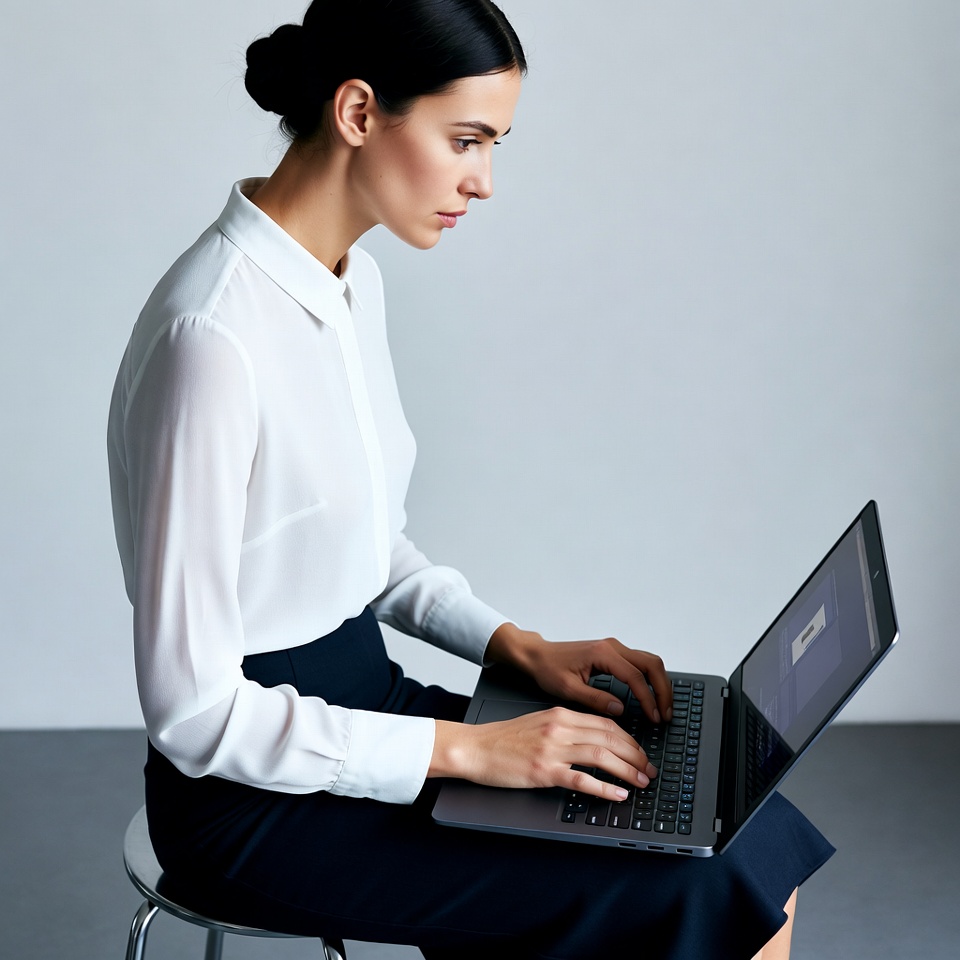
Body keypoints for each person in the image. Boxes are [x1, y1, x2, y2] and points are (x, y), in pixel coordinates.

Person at [107, 2, 833, 957]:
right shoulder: (213, 337)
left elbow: (360, 548)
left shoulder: (344, 282)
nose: (484, 182)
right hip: (253, 799)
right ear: (360, 113)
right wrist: (474, 752)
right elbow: (194, 713)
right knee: (698, 877)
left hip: (369, 714)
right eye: (467, 140)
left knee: (736, 831)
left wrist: (516, 648)